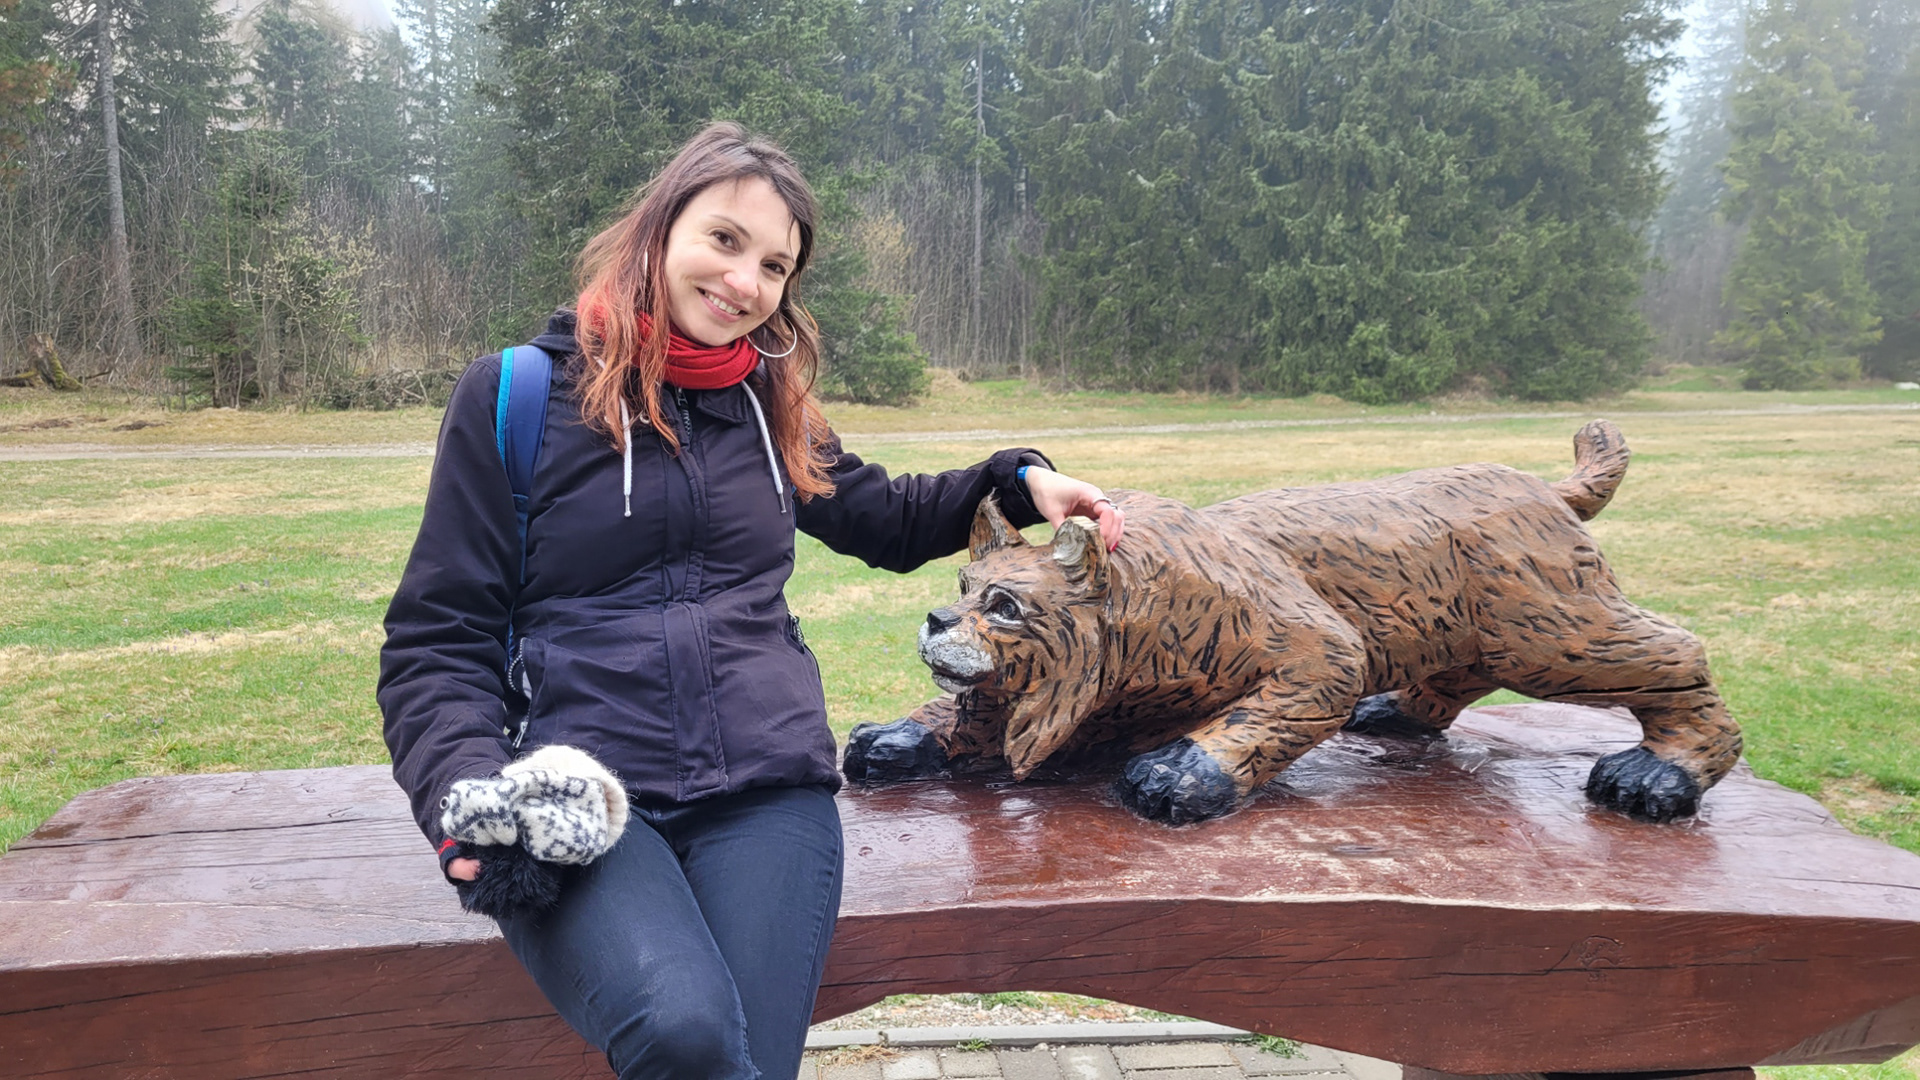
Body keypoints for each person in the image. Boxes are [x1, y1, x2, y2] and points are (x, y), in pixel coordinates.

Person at [377, 121, 1124, 1080]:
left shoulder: (770, 403)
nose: (745, 284)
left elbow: (883, 518)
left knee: (742, 1059)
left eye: (775, 266)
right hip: (590, 793)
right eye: (725, 240)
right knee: (686, 1033)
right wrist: (468, 792)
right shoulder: (519, 395)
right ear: (660, 227)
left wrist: (1019, 483)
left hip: (767, 790)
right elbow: (439, 638)